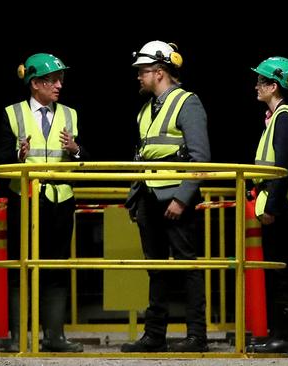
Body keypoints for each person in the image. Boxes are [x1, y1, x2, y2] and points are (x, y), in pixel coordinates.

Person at [0, 53, 87, 352]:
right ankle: (21, 335)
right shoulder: (12, 113)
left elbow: (80, 156)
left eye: (60, 80)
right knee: (22, 266)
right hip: (25, 197)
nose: (59, 85)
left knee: (56, 267)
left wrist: (75, 150)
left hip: (60, 199)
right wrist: (17, 156)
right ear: (35, 84)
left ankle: (55, 337)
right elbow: (1, 157)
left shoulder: (70, 114)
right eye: (53, 80)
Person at [121, 40, 211, 353]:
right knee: (155, 267)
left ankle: (197, 335)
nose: (138, 77)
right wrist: (135, 198)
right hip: (148, 196)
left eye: (142, 71)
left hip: (175, 198)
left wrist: (183, 198)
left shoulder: (187, 103)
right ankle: (155, 335)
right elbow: (143, 156)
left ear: (159, 72)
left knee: (187, 266)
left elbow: (201, 158)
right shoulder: (146, 110)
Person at [245, 56, 288, 354]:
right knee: (277, 271)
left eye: (260, 81)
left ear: (273, 86)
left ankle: (285, 338)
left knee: (282, 273)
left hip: (283, 206)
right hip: (278, 204)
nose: (256, 86)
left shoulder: (284, 118)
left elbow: (281, 168)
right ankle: (277, 334)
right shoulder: (277, 118)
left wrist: (272, 208)